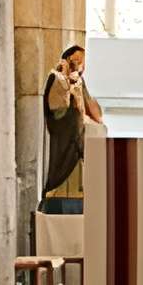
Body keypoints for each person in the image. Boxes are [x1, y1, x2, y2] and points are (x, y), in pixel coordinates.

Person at [40, 43, 105, 212]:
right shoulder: (57, 77)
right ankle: (56, 190)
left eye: (82, 61)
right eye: (75, 59)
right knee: (64, 164)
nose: (79, 63)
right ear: (67, 59)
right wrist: (68, 84)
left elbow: (94, 112)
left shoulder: (79, 81)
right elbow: (57, 109)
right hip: (65, 133)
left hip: (80, 133)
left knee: (98, 132)